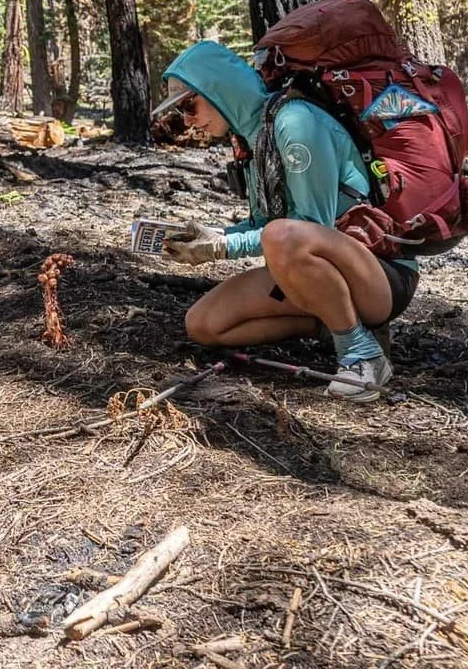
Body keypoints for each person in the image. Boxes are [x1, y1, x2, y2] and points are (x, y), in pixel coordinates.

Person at [153, 40, 417, 402]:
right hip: (315, 267)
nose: (187, 120)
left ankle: (361, 352)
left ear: (219, 91)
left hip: (382, 275)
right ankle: (335, 322)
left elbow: (310, 227)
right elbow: (264, 225)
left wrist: (223, 247)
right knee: (204, 324)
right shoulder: (253, 139)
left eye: (189, 105)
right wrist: (213, 237)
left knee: (282, 237)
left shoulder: (295, 122)